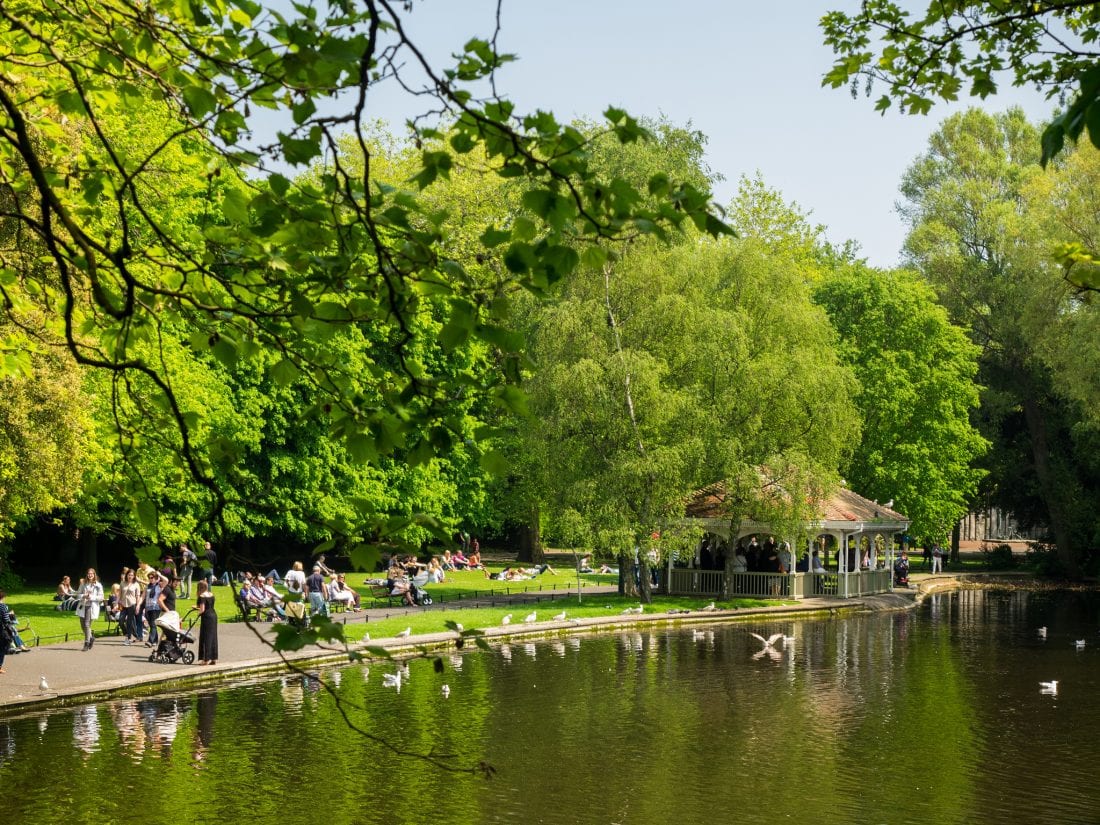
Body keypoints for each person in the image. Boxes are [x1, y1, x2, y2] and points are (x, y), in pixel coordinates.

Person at [75, 568, 104, 651]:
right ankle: (91, 638)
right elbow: (78, 594)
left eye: (92, 574)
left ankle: (86, 643)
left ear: (94, 575)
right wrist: (83, 596)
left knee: (87, 624)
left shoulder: (98, 585)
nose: (90, 575)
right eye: (89, 573)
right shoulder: (83, 583)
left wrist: (91, 597)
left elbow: (101, 597)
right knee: (82, 625)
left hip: (91, 606)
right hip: (83, 605)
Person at [195, 580, 218, 666]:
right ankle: (214, 658)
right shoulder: (211, 594)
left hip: (207, 618)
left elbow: (202, 609)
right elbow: (210, 606)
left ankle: (205, 659)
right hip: (214, 616)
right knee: (213, 637)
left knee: (205, 637)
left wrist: (198, 613)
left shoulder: (202, 596)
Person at [120, 568, 142, 646]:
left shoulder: (136, 584)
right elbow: (120, 594)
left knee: (129, 622)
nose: (130, 576)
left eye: (132, 575)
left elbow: (138, 596)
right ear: (127, 575)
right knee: (121, 621)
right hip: (123, 604)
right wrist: (117, 603)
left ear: (134, 576)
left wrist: (138, 606)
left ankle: (128, 638)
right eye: (129, 575)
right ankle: (127, 633)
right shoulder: (122, 583)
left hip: (132, 604)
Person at [143, 572, 163, 647]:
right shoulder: (147, 586)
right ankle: (155, 640)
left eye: (152, 578)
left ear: (156, 578)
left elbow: (166, 581)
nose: (150, 579)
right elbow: (143, 596)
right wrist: (139, 605)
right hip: (148, 607)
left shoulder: (159, 585)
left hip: (156, 607)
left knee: (153, 623)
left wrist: (160, 575)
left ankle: (150, 641)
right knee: (152, 625)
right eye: (149, 578)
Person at [0, 589, 12, 674]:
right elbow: (6, 620)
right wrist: (10, 615)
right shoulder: (2, 606)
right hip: (1, 630)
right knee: (2, 648)